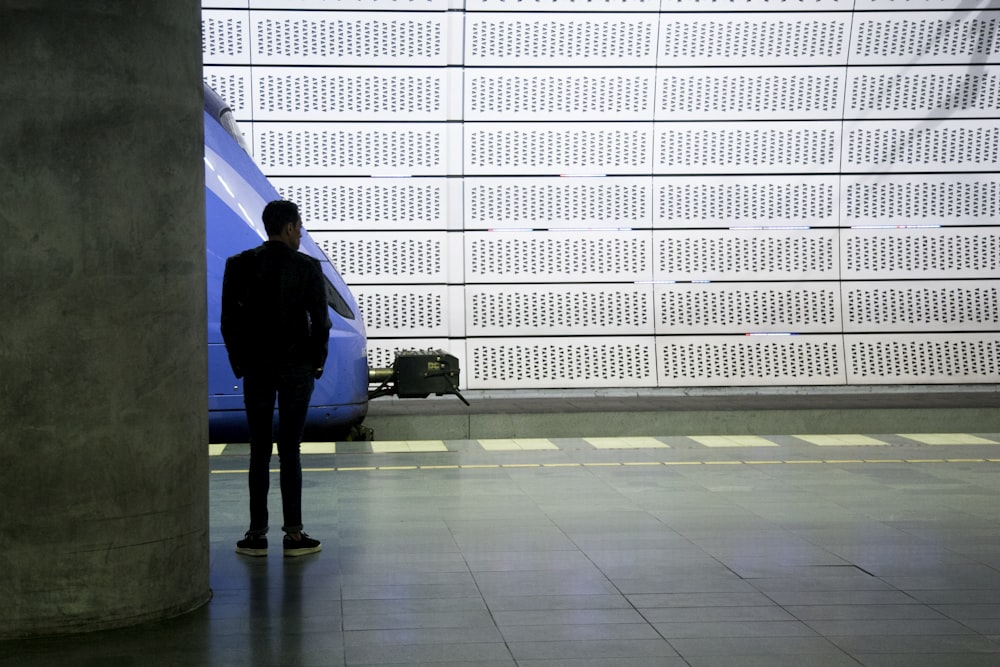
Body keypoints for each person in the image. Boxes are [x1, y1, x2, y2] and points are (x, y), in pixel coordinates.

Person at [221, 200, 331, 557]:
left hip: (257, 369)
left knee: (259, 449)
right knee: (290, 450)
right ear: (288, 228)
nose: (300, 234)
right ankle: (295, 536)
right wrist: (316, 363)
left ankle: (256, 535)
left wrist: (242, 365)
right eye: (299, 227)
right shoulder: (307, 268)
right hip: (297, 369)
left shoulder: (238, 265)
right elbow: (321, 322)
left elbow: (229, 323)